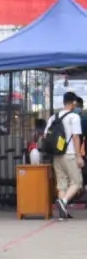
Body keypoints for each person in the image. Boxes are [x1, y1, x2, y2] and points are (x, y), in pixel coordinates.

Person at [46, 90, 83, 219]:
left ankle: (62, 214)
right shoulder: (74, 117)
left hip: (57, 155)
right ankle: (63, 202)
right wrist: (79, 156)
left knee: (62, 184)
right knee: (77, 182)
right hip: (70, 155)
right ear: (74, 103)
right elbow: (76, 137)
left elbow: (46, 135)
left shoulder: (53, 117)